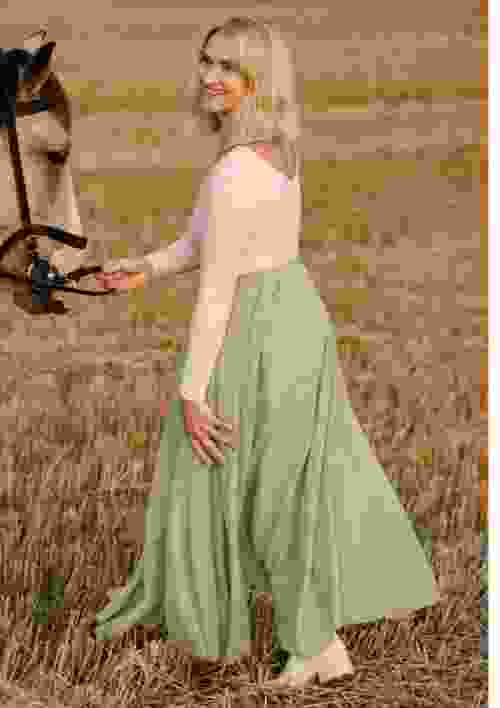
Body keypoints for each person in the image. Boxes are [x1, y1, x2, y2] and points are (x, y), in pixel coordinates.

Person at [93, 16, 441, 688]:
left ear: (259, 77)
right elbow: (204, 246)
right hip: (295, 317)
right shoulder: (276, 151)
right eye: (206, 61)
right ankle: (318, 644)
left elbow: (218, 288)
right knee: (283, 487)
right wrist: (144, 268)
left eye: (229, 66)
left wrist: (191, 393)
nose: (210, 77)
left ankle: (307, 643)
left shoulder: (233, 170)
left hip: (258, 329)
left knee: (242, 482)